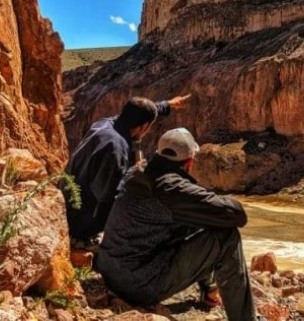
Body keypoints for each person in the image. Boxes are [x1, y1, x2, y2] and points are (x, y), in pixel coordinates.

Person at [96, 128, 257, 321]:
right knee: (226, 236)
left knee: (199, 219)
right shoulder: (171, 188)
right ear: (189, 162)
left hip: (111, 269)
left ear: (159, 153)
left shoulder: (138, 171)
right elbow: (237, 215)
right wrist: (202, 195)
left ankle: (210, 291)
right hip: (136, 284)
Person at [61, 95, 190, 245]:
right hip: (80, 222)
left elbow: (137, 112)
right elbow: (106, 194)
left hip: (66, 202)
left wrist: (167, 105)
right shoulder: (116, 149)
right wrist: (133, 172)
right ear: (143, 127)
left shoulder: (104, 124)